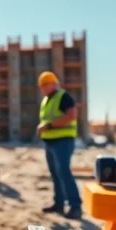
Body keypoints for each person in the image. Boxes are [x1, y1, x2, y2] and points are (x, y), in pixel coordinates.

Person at [37, 71, 82, 219]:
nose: (43, 88)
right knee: (55, 174)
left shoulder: (63, 97)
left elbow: (72, 115)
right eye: (41, 86)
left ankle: (75, 206)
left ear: (53, 83)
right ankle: (59, 203)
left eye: (45, 84)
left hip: (63, 141)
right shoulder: (46, 101)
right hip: (50, 142)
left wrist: (49, 126)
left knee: (64, 172)